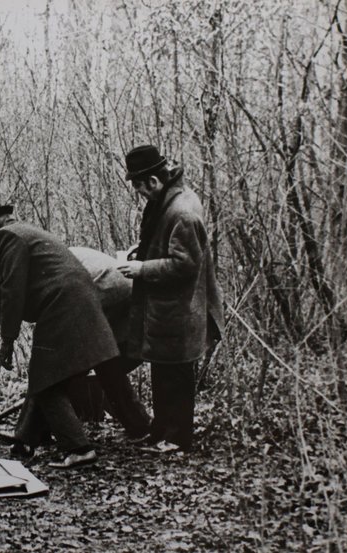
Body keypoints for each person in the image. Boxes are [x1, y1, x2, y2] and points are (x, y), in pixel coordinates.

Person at [0, 199, 120, 469]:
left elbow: (11, 290)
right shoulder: (28, 231)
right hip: (79, 303)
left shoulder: (6, 236)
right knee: (48, 375)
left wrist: (7, 339)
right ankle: (25, 440)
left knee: (46, 380)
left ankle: (78, 448)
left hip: (63, 307)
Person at [116, 145, 224, 453]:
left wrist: (141, 268)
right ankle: (161, 431)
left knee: (176, 376)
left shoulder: (183, 211)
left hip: (181, 308)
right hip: (167, 308)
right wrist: (142, 253)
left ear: (153, 181)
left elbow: (185, 265)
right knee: (162, 372)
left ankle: (176, 438)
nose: (138, 193)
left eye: (139, 186)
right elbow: (164, 243)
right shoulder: (169, 201)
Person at [69, 246, 151, 437]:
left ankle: (33, 432)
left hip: (113, 291)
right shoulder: (59, 255)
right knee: (106, 363)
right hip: (117, 291)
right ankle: (139, 426)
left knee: (98, 362)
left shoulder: (51, 263)